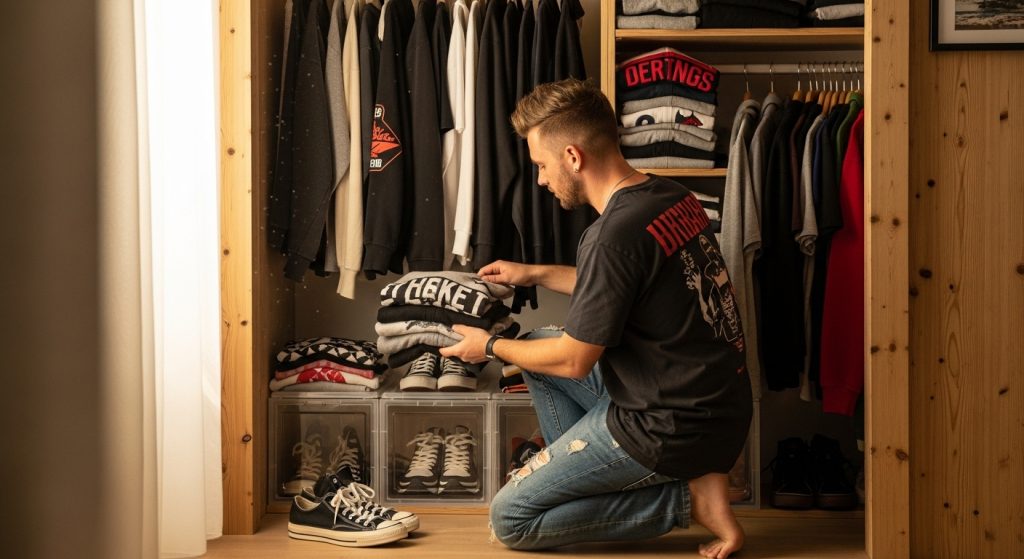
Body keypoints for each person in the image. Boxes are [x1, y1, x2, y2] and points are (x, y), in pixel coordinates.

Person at [439, 78, 752, 559]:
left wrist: (488, 347)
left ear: (572, 156)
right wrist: (536, 273)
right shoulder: (669, 196)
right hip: (713, 406)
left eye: (542, 165)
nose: (541, 180)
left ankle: (686, 499)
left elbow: (573, 362)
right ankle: (588, 482)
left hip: (667, 426)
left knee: (512, 519)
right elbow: (626, 280)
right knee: (540, 342)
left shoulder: (611, 235)